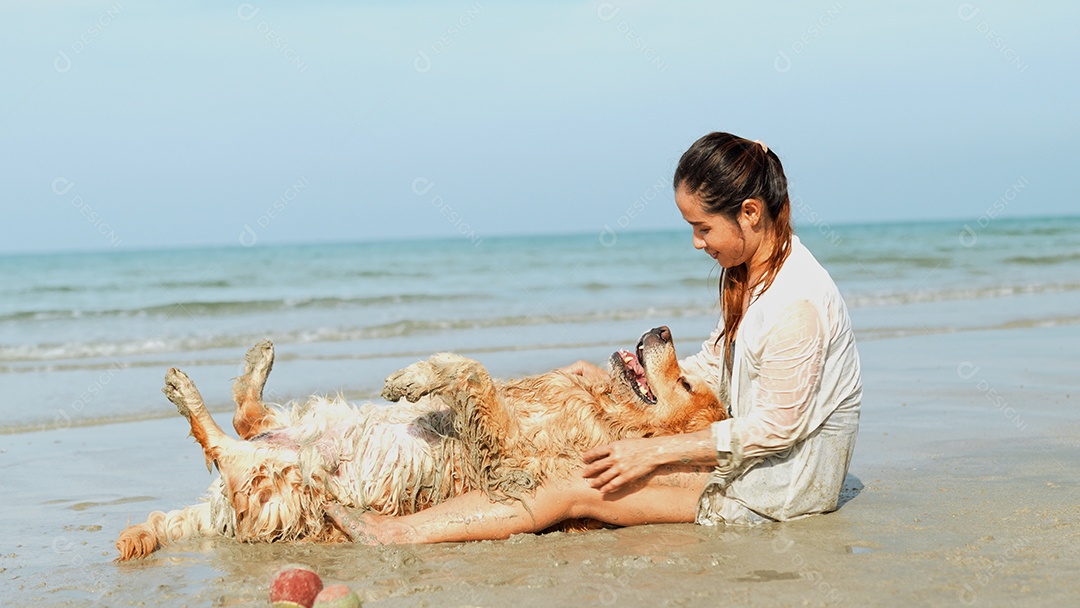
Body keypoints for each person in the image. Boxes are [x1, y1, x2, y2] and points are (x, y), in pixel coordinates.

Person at [327, 131, 862, 543]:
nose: (697, 243)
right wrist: (620, 384)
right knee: (587, 462)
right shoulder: (756, 270)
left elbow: (774, 430)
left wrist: (651, 455)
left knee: (578, 487)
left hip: (776, 488)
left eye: (702, 228)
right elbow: (721, 364)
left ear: (749, 212)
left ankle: (398, 533)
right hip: (745, 460)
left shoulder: (797, 304)